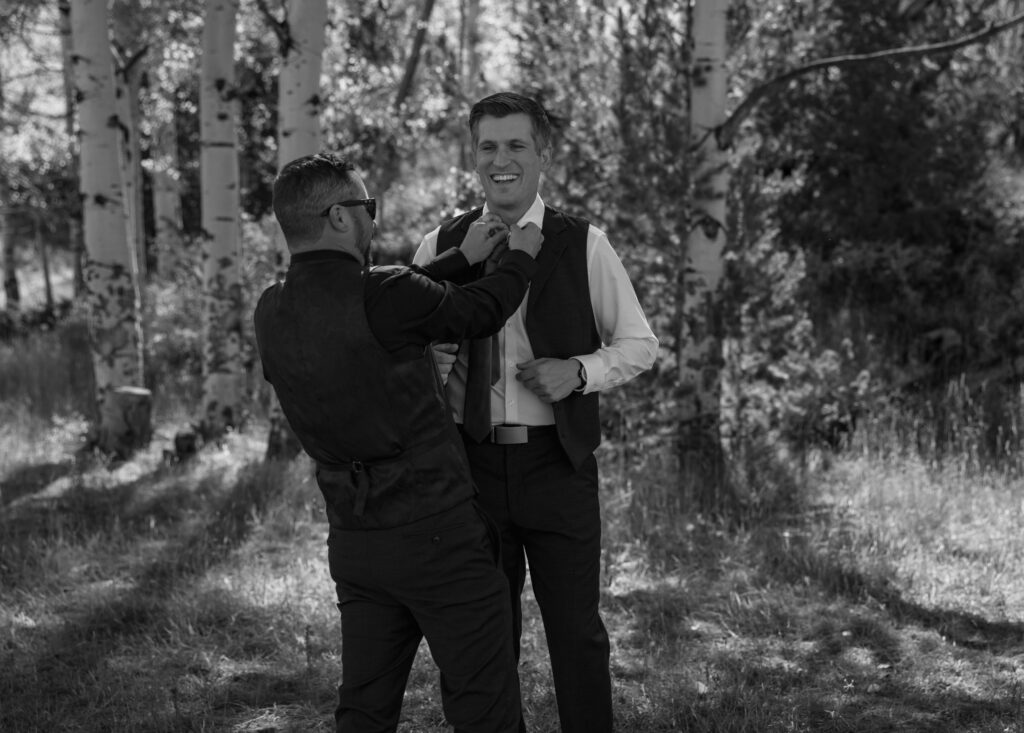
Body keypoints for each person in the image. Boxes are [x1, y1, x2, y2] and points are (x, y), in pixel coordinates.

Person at [253, 152, 545, 733]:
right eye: (368, 207)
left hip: (355, 538)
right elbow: (482, 309)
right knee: (484, 703)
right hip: (437, 534)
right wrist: (521, 257)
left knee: (364, 706)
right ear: (340, 217)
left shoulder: (271, 308)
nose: (374, 221)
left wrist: (461, 258)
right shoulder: (385, 295)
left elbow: (385, 309)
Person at [414, 93, 659, 733]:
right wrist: (430, 366)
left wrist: (578, 371)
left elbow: (640, 344)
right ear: (474, 156)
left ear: (542, 155)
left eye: (516, 145)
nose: (502, 160)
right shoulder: (439, 245)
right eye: (488, 146)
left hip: (558, 466)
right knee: (483, 641)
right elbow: (400, 352)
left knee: (577, 633)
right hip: (466, 472)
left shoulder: (585, 244)